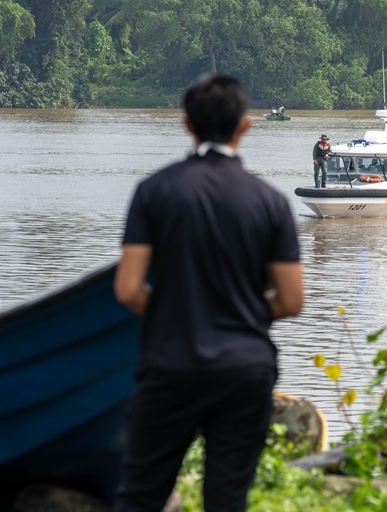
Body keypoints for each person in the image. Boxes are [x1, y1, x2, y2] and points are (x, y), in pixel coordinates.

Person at [113, 73, 304, 512]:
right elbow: (291, 300)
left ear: (187, 125)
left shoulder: (154, 191)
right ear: (245, 126)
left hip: (171, 363)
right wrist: (245, 314)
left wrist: (173, 316)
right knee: (227, 497)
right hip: (244, 367)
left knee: (141, 494)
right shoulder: (271, 201)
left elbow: (127, 288)